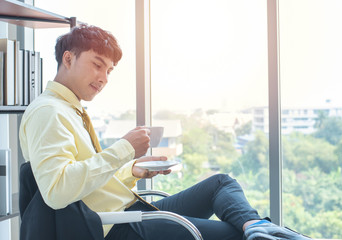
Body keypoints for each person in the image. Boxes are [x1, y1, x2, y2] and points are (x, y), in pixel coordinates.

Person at [19, 24, 312, 240]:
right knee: (234, 236)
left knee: (220, 184)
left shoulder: (70, 110)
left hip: (130, 210)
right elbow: (57, 191)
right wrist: (123, 149)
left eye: (109, 70)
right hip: (115, 226)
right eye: (97, 65)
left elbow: (87, 185)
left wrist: (132, 170)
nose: (104, 78)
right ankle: (259, 231)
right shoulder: (50, 112)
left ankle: (257, 227)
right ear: (68, 59)